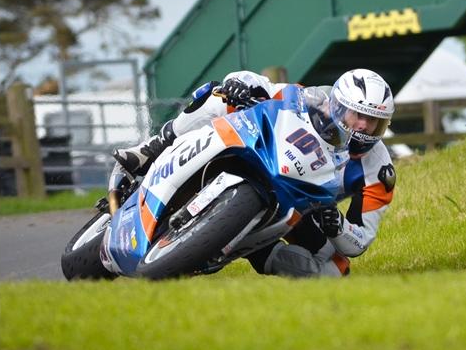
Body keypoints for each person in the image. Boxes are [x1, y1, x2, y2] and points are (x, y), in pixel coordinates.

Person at [113, 69, 397, 278]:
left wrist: (336, 225)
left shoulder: (379, 168)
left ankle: (261, 252)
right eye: (357, 114)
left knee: (337, 269)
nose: (363, 126)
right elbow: (258, 82)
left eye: (374, 121)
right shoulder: (306, 99)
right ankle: (151, 148)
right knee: (218, 95)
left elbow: (360, 240)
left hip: (304, 205)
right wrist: (238, 84)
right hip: (264, 154)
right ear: (336, 104)